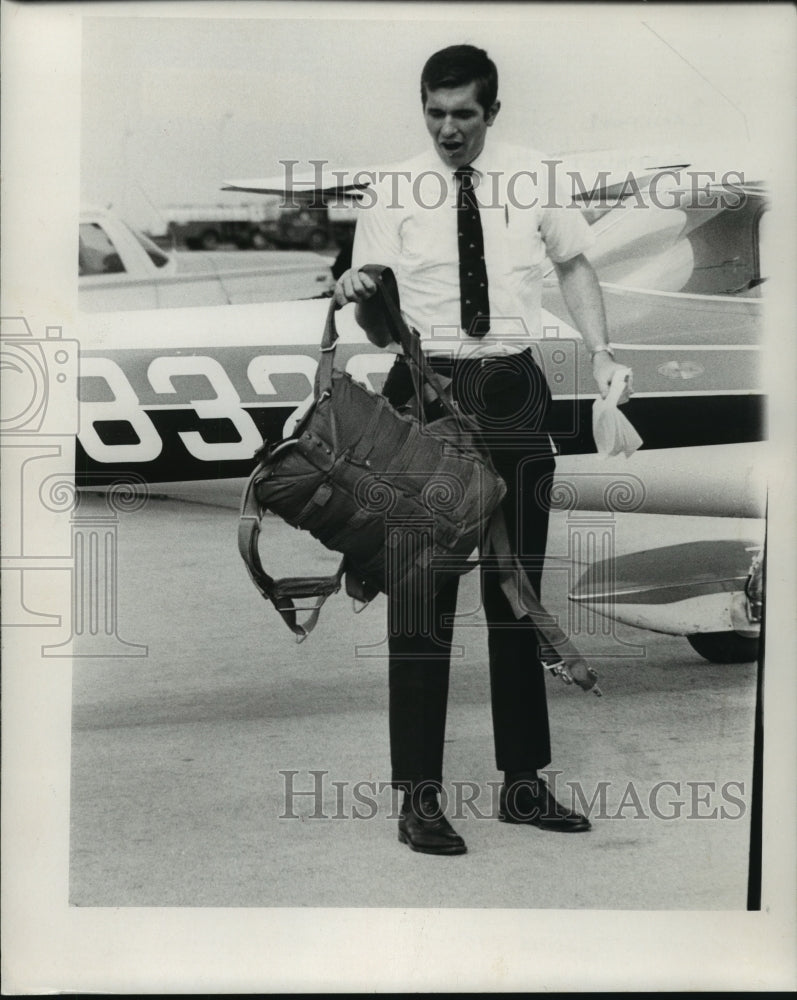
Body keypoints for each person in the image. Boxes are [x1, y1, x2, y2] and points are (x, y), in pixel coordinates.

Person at [334, 44, 628, 855]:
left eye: (463, 113)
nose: (446, 129)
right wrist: (361, 295)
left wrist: (601, 352)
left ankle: (524, 785)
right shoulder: (392, 188)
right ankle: (418, 798)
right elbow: (373, 316)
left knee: (516, 595)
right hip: (422, 395)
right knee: (421, 601)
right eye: (433, 112)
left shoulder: (535, 175)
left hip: (511, 389)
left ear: (491, 112)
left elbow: (574, 264)